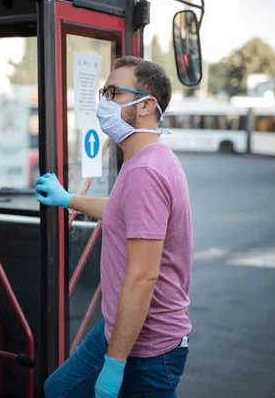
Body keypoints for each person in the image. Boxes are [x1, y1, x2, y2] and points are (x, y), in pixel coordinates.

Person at [36, 56, 193, 397]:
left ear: (147, 105)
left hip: (147, 348)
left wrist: (114, 365)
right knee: (58, 389)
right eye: (103, 92)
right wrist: (67, 199)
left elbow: (142, 276)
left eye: (113, 93)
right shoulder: (151, 160)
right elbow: (124, 211)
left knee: (60, 391)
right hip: (123, 330)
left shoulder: (144, 172)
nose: (103, 102)